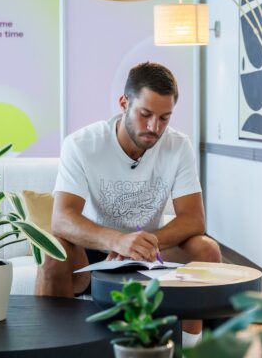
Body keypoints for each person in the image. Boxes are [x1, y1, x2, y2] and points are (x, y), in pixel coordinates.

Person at [38, 61, 221, 346]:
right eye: (145, 114)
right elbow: (61, 218)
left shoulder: (178, 145)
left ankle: (190, 348)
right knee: (53, 254)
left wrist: (141, 244)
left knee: (207, 249)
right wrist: (118, 241)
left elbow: (194, 219)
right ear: (124, 103)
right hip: (95, 249)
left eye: (164, 118)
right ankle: (54, 348)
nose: (154, 127)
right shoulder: (82, 144)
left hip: (151, 249)